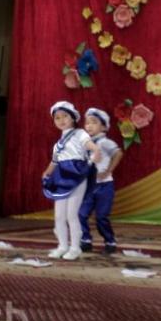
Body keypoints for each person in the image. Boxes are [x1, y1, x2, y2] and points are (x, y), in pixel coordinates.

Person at [42, 101, 101, 261]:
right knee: (59, 216)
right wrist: (47, 172)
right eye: (57, 118)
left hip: (76, 174)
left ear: (73, 117)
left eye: (65, 116)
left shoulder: (80, 134)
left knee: (71, 214)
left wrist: (95, 152)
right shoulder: (57, 145)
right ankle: (62, 246)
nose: (61, 120)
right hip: (61, 177)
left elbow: (91, 146)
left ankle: (75, 248)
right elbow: (55, 161)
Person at [79, 108, 122, 255]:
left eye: (94, 122)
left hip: (104, 186)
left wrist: (108, 171)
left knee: (101, 217)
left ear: (103, 127)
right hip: (89, 186)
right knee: (81, 214)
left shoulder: (105, 142)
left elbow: (118, 153)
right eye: (87, 123)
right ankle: (85, 240)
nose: (89, 126)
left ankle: (110, 241)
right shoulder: (85, 143)